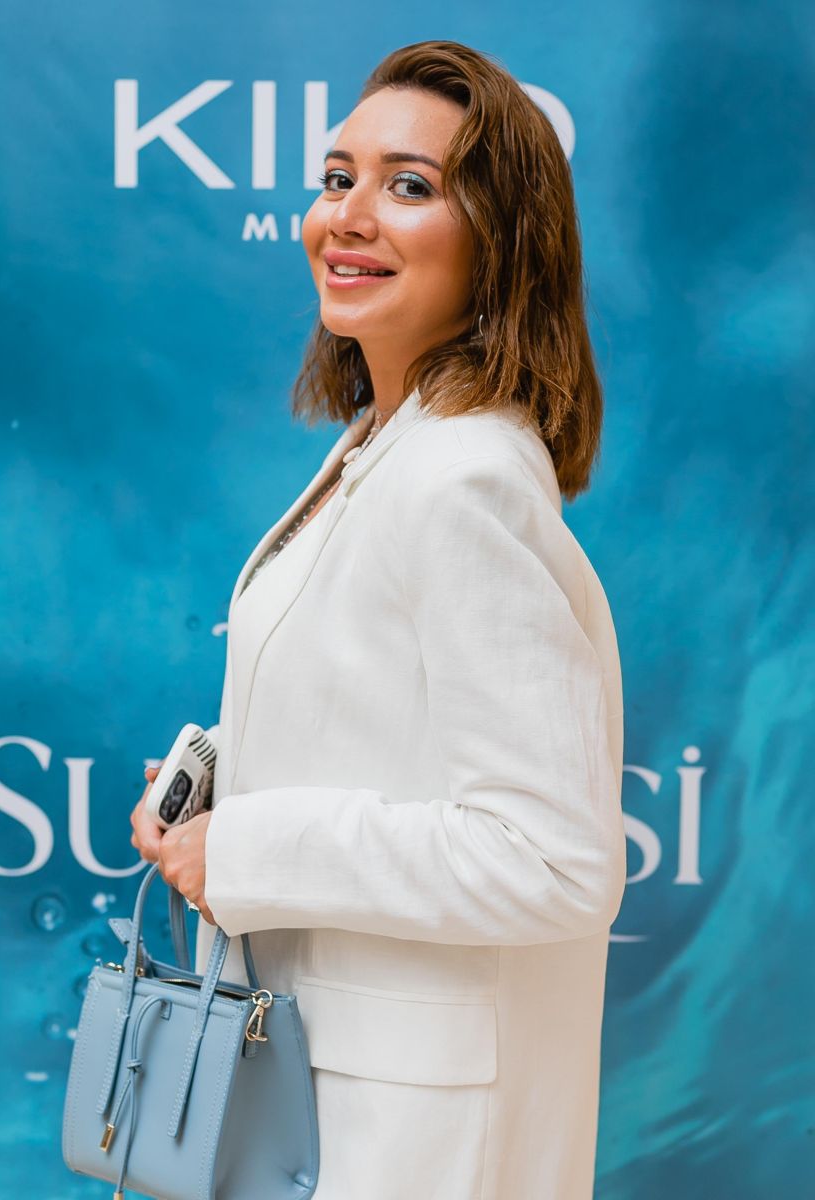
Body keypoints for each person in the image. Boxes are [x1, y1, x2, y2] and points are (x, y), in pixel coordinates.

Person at [131, 39, 626, 1200]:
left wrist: (245, 851)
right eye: (336, 179)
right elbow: (386, 731)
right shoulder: (386, 449)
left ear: (501, 239)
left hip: (414, 1140)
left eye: (409, 185)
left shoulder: (463, 479)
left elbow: (551, 859)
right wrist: (224, 795)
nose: (346, 216)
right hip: (326, 1105)